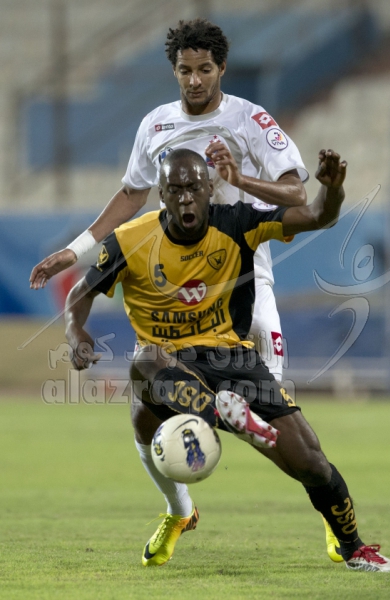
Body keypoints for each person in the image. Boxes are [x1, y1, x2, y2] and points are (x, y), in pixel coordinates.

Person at [32, 17, 332, 560]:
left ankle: (332, 515)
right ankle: (180, 510)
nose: (194, 80)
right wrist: (75, 252)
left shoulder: (249, 120)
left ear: (222, 68)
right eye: (185, 70)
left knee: (274, 413)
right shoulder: (155, 125)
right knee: (147, 410)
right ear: (174, 71)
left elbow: (295, 193)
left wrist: (239, 179)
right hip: (174, 283)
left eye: (204, 69)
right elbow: (131, 196)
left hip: (242, 278)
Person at [64, 147, 390, 573]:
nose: (186, 198)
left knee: (311, 462)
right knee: (144, 363)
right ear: (161, 195)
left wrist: (333, 191)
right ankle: (216, 429)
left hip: (234, 359)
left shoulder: (238, 222)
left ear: (210, 189)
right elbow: (80, 293)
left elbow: (318, 216)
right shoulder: (130, 240)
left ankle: (355, 548)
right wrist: (75, 331)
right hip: (169, 366)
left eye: (194, 187)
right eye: (175, 190)